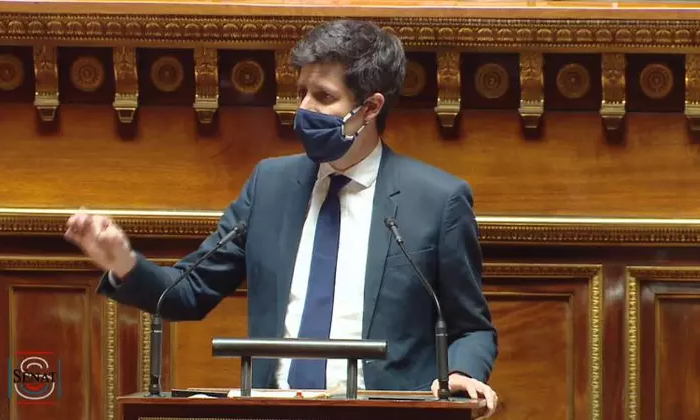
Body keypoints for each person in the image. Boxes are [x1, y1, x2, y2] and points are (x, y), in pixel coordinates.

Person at [65, 19, 498, 415]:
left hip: (387, 410)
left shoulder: (438, 199)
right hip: (274, 409)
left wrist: (461, 373)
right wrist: (121, 261)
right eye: (302, 92)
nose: (304, 109)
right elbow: (190, 292)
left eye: (324, 97)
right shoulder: (270, 184)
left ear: (370, 108)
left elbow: (472, 327)